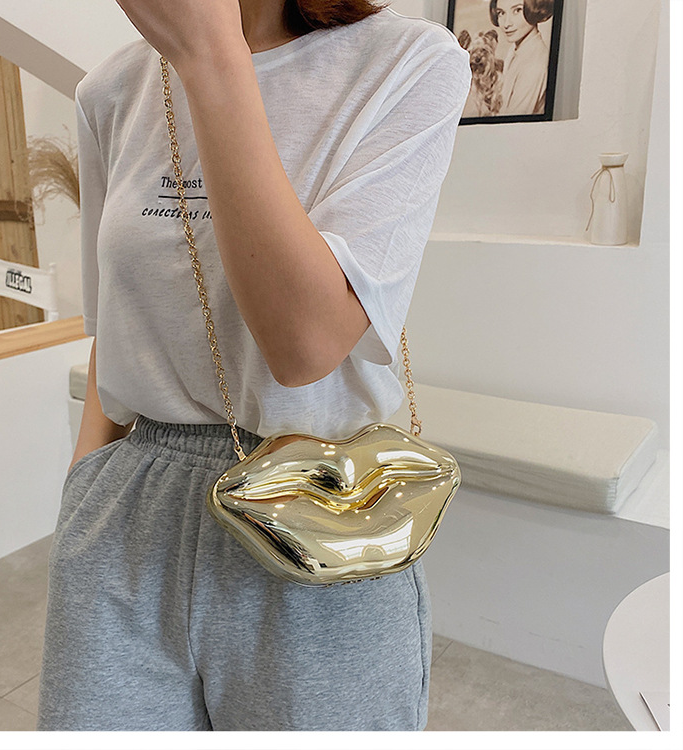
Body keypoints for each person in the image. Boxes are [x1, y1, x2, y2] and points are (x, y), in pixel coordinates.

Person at [36, 0, 471, 732]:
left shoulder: (408, 63)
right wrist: (81, 501)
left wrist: (211, 56)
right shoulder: (110, 90)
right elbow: (118, 322)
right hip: (127, 514)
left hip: (318, 511)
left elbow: (304, 344)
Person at [492, 0, 552, 115]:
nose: (506, 24)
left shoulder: (535, 63)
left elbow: (513, 119)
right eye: (501, 13)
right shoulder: (514, 50)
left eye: (517, 10)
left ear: (534, 9)